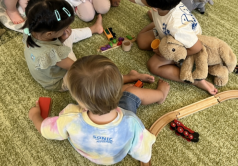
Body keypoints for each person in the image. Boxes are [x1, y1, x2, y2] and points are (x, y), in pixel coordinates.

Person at [29, 55, 170, 165]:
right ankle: (160, 95)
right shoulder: (131, 123)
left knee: (128, 90)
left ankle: (130, 88)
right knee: (132, 91)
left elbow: (44, 129)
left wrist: (35, 115)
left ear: (80, 101)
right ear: (117, 92)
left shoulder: (70, 118)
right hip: (116, 156)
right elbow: (143, 153)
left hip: (89, 152)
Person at [99, 0, 218, 95]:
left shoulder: (177, 27)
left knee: (153, 65)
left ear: (154, 7)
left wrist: (165, 53)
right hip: (167, 32)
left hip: (183, 44)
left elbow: (197, 47)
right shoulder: (165, 2)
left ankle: (194, 79)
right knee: (141, 41)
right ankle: (156, 23)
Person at [22, 0, 103, 91]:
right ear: (49, 34)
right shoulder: (52, 53)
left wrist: (62, 39)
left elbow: (53, 43)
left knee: (69, 34)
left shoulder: (32, 27)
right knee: (87, 76)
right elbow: (77, 68)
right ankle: (122, 79)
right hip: (58, 81)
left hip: (48, 64)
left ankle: (94, 29)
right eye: (64, 28)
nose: (68, 28)